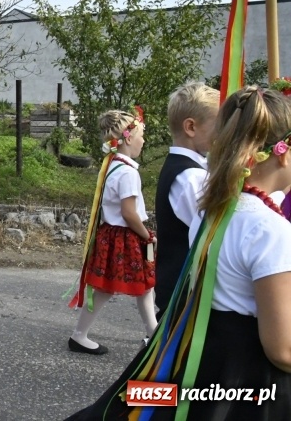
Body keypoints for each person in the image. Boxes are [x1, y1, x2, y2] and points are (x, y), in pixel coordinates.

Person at [66, 86, 291, 420]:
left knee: (154, 397)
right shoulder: (264, 227)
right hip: (234, 366)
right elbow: (281, 348)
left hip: (200, 339)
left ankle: (133, 336)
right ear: (282, 153)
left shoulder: (216, 207)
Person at [67, 108, 157, 355]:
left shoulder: (113, 166)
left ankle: (152, 332)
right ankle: (152, 333)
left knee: (120, 287)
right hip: (126, 236)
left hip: (112, 234)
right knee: (138, 285)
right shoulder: (128, 172)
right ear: (128, 138)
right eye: (141, 135)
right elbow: (129, 213)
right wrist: (147, 235)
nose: (143, 141)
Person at [154, 82, 219, 319]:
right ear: (191, 127)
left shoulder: (191, 169)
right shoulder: (191, 177)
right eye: (220, 124)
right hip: (185, 296)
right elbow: (214, 234)